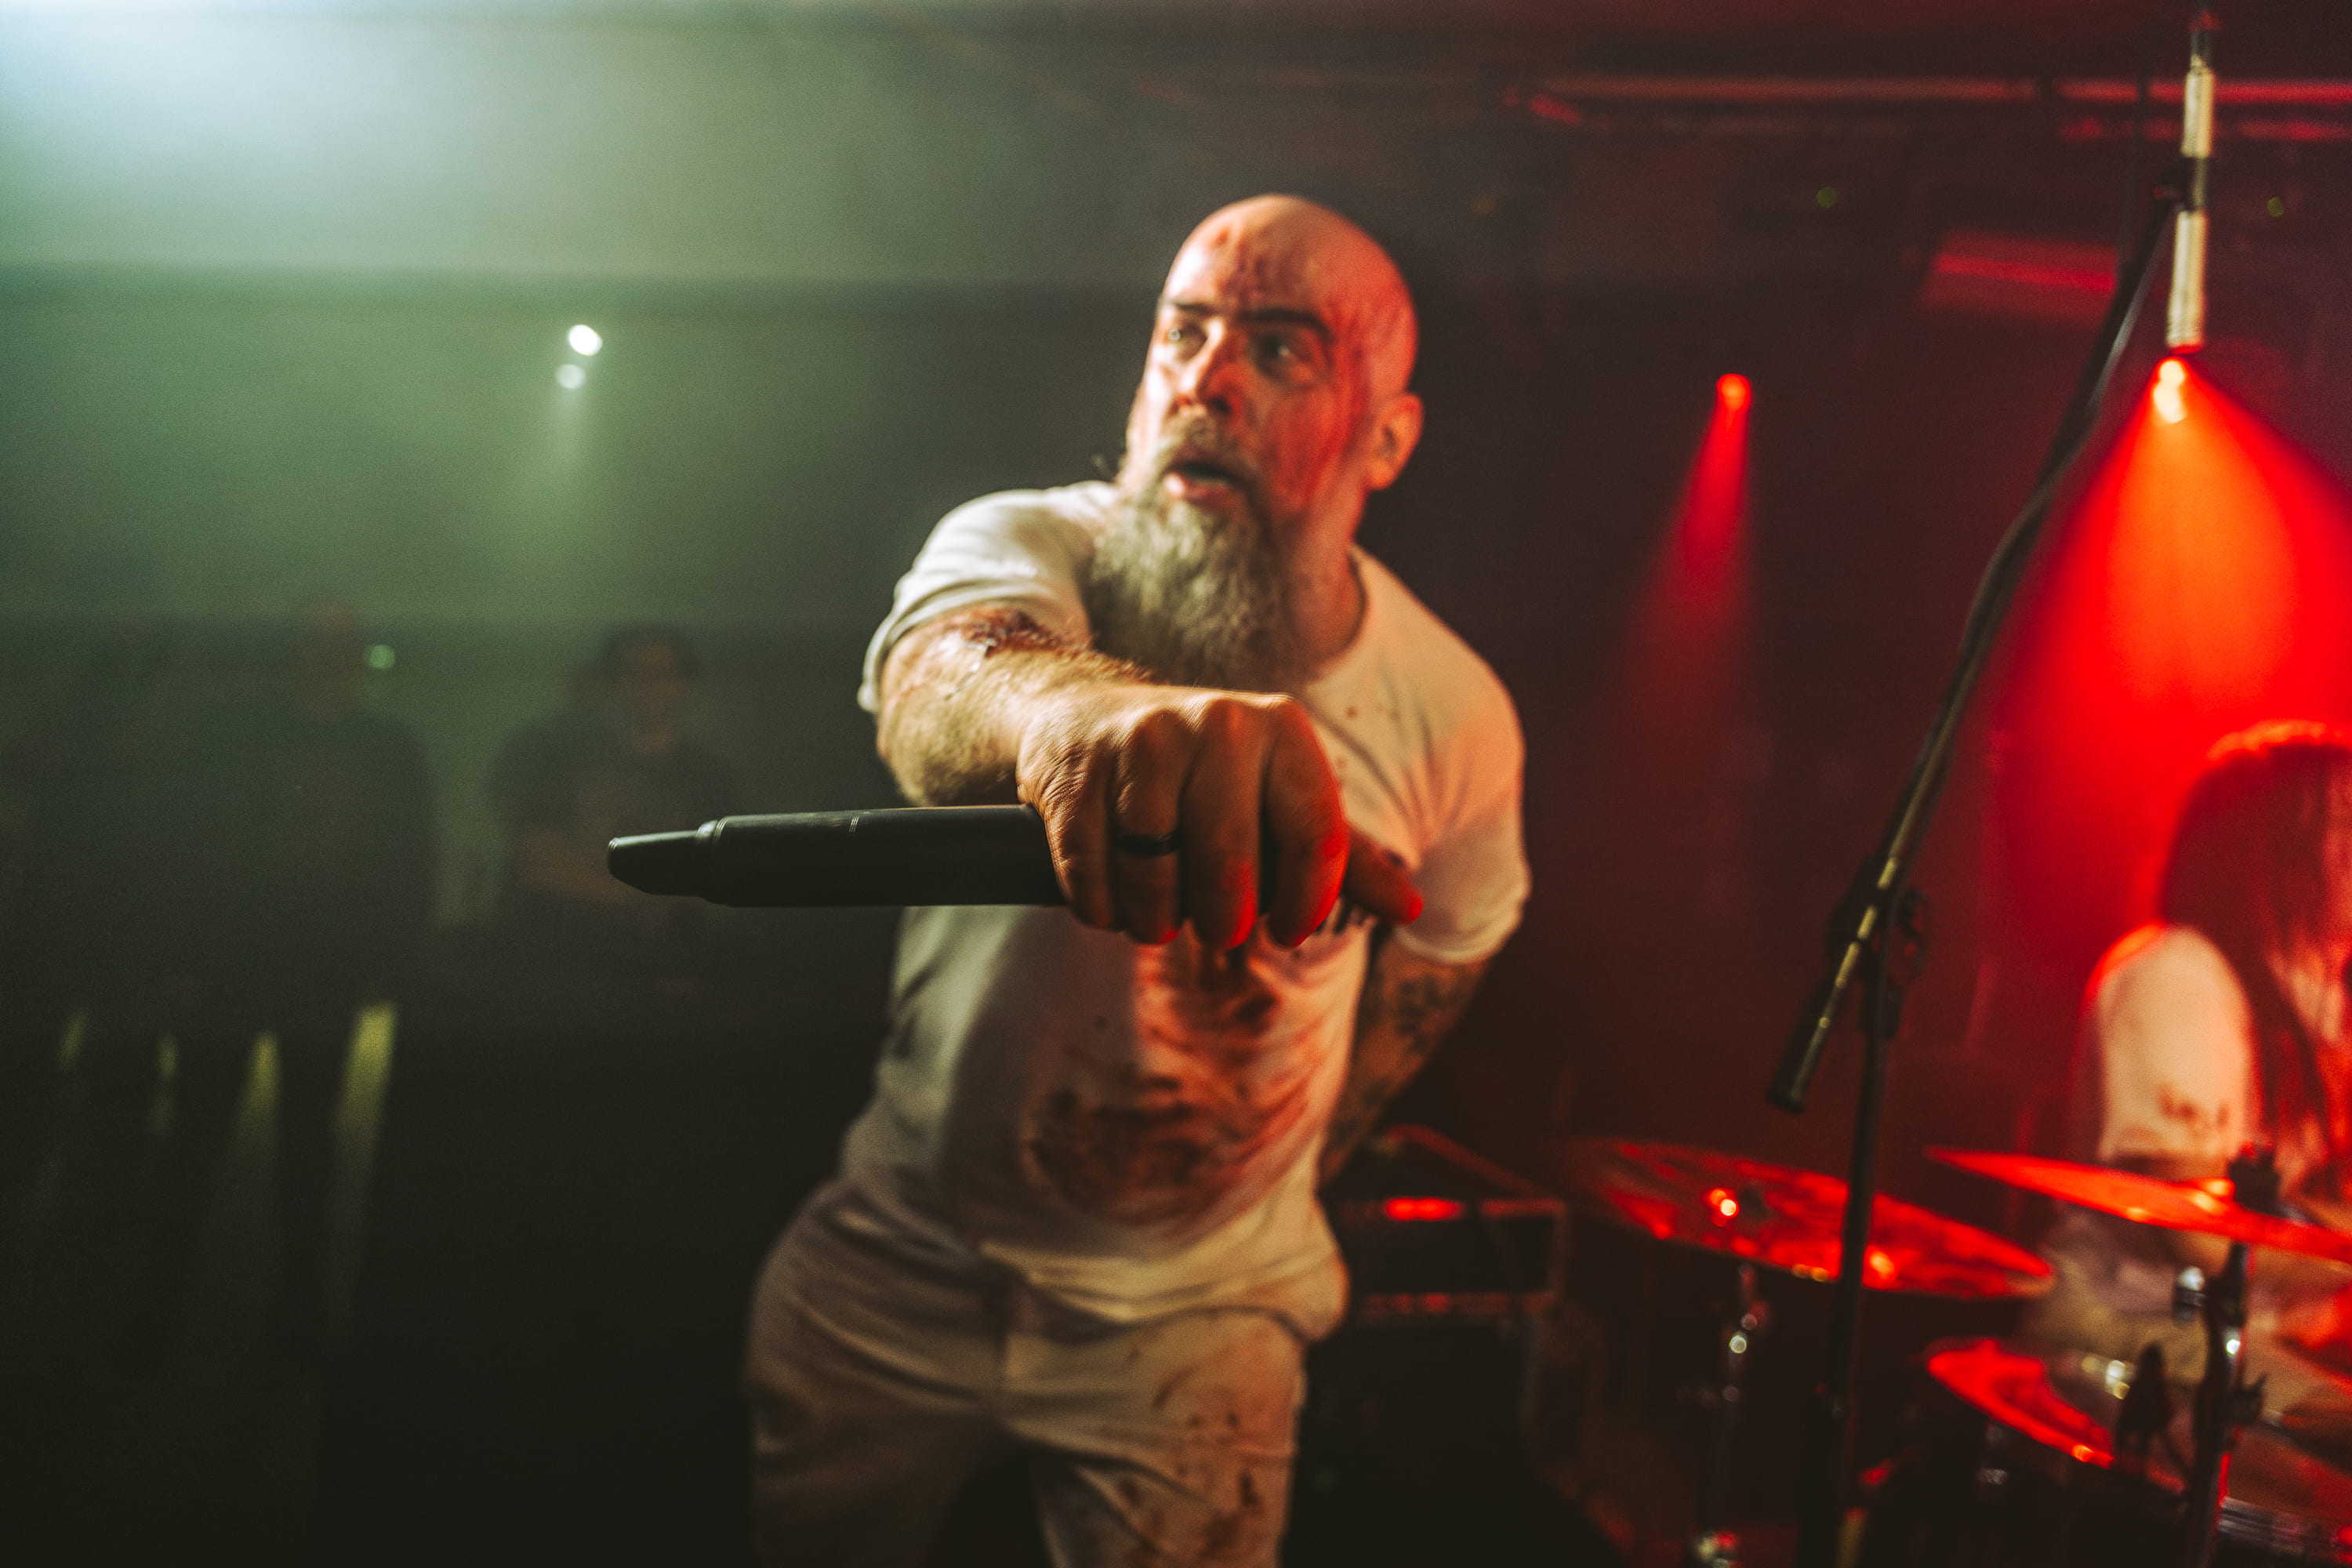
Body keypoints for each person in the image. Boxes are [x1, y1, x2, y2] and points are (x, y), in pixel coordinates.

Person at [744, 196, 1530, 1565]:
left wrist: (1298, 1157)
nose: (1206, 381)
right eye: (1184, 332)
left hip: (1202, 1319)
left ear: (1387, 439)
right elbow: (941, 680)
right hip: (905, 1256)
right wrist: (1080, 722)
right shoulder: (1031, 544)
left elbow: (1449, 949)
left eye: (1280, 350)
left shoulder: (1452, 710)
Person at [2027, 720, 2352, 1412]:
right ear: (2270, 846)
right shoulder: (2178, 976)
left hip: (2258, 1344)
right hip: (2132, 1337)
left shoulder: (2328, 1008)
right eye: (2345, 821)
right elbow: (2202, 1244)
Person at [157, 601, 437, 1360]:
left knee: (240, 1136)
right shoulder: (377, 745)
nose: (328, 658)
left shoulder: (242, 734)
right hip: (258, 961)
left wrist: (388, 955)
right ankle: (277, 1309)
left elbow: (407, 855)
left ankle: (181, 1306)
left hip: (285, 963)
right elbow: (187, 844)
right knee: (262, 1138)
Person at [489, 625, 739, 976]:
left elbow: (722, 879)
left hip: (664, 973)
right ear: (611, 681)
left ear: (685, 685)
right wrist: (648, 897)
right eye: (633, 672)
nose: (646, 685)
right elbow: (540, 864)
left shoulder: (708, 777)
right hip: (556, 963)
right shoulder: (559, 758)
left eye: (661, 674)